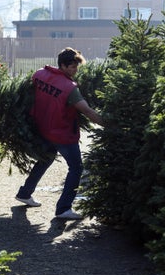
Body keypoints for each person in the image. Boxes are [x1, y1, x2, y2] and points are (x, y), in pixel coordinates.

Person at [15, 47, 104, 220]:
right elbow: (87, 111)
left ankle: (25, 193)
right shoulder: (69, 88)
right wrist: (110, 124)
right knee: (76, 168)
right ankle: (64, 208)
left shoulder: (40, 74)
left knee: (45, 159)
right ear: (62, 65)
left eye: (76, 67)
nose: (75, 70)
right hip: (62, 133)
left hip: (43, 129)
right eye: (71, 67)